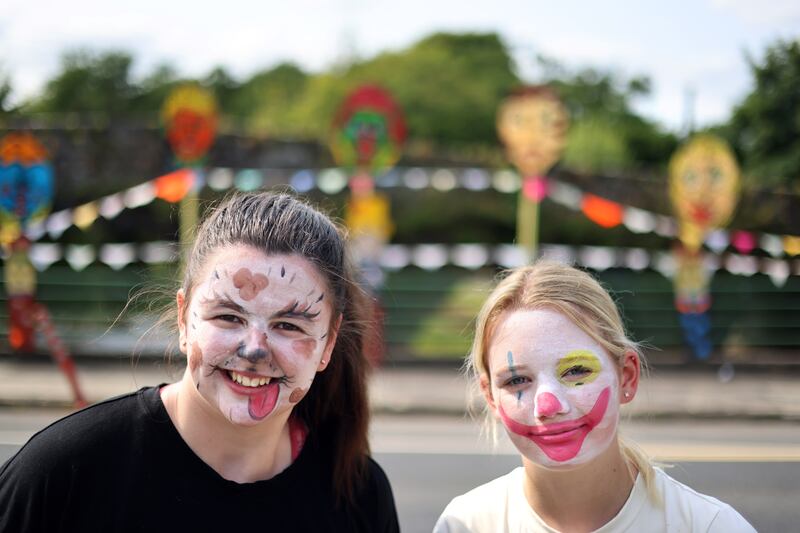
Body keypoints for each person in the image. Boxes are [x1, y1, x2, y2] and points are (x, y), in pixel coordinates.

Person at [0, 192, 400, 532]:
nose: (254, 350)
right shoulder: (63, 473)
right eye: (228, 317)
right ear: (183, 319)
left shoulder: (359, 497)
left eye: (288, 325)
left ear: (328, 344)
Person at [434, 262, 755, 533]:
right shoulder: (464, 524)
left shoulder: (710, 526)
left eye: (575, 371)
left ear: (626, 375)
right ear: (490, 397)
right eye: (517, 380)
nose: (549, 406)